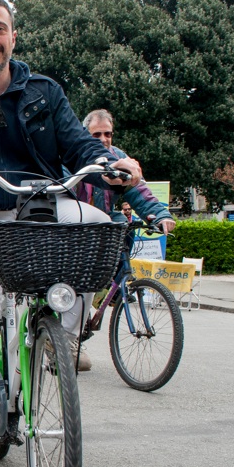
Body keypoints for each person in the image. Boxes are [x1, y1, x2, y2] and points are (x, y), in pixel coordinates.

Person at [0, 0, 142, 459]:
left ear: (12, 37)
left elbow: (81, 147)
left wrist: (112, 163)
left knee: (100, 226)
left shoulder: (45, 91)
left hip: (44, 206)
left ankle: (56, 340)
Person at [72, 108, 176, 370]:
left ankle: (109, 288)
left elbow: (139, 191)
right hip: (74, 228)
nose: (104, 139)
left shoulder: (119, 159)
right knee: (75, 283)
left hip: (104, 226)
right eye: (97, 134)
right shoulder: (74, 156)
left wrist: (159, 215)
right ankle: (69, 340)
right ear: (86, 135)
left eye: (108, 133)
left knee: (120, 227)